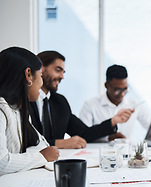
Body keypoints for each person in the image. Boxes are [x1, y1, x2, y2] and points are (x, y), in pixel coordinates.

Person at [29, 51, 131, 149]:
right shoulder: (25, 100)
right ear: (41, 69)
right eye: (58, 70)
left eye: (63, 72)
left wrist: (113, 121)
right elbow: (27, 141)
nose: (62, 76)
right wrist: (60, 143)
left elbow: (84, 133)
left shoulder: (59, 102)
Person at [79, 64, 151, 142]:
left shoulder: (134, 104)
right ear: (106, 85)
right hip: (97, 154)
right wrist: (107, 137)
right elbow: (83, 135)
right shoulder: (90, 105)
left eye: (125, 89)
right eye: (117, 90)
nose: (122, 94)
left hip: (125, 155)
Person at [0, 47, 59, 176]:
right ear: (28, 75)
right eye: (41, 75)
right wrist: (40, 157)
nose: (41, 82)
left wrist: (38, 154)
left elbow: (42, 144)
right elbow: (2, 163)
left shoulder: (18, 109)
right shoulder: (1, 110)